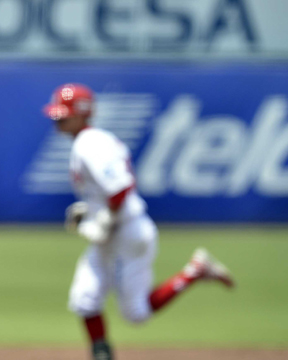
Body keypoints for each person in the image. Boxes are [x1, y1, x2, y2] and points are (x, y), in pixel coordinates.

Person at [42, 83, 234, 360]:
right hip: (112, 231)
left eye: (64, 114)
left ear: (83, 114)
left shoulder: (90, 143)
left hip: (128, 232)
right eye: (57, 114)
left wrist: (104, 221)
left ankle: (195, 270)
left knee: (136, 314)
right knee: (84, 299)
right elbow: (109, 191)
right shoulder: (88, 141)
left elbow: (120, 187)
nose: (57, 120)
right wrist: (90, 211)